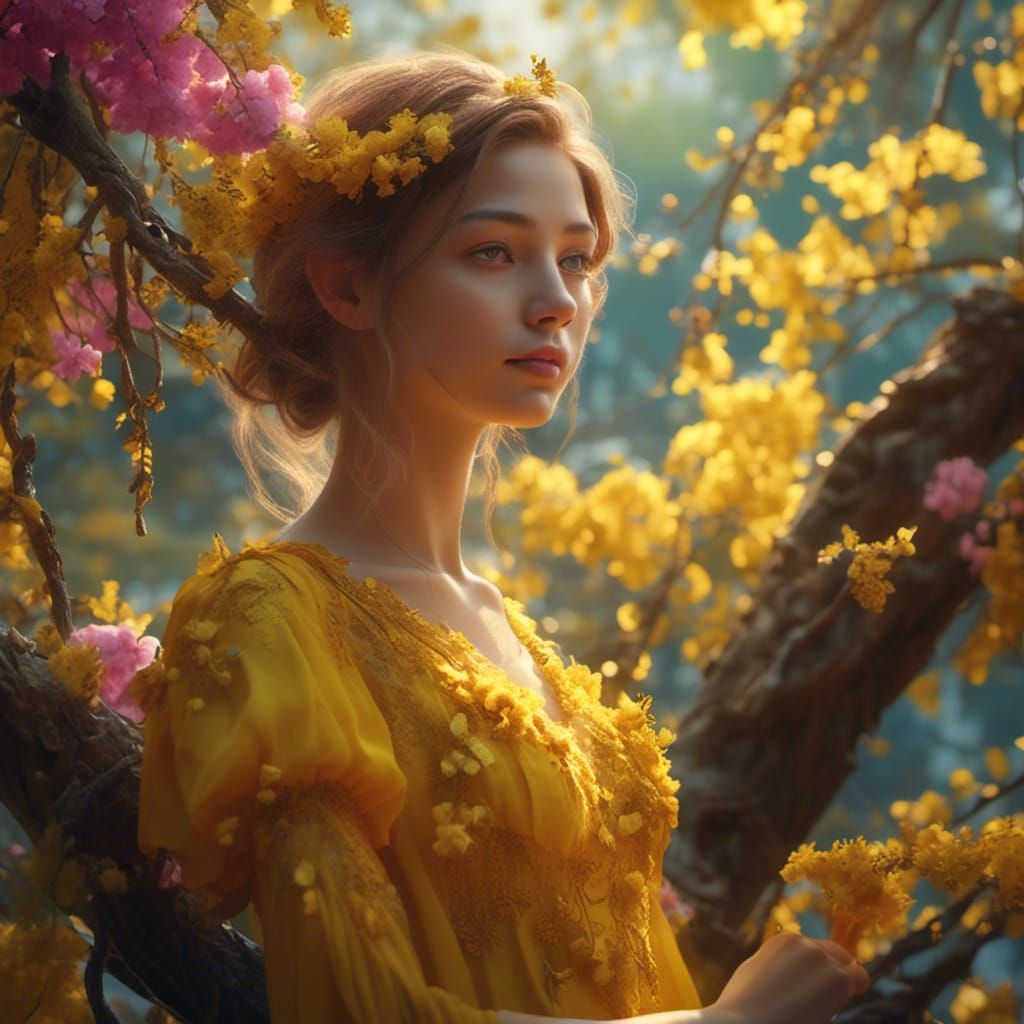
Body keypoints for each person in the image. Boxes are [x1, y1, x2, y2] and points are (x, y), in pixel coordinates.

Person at [135, 47, 869, 1024]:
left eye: (573, 257)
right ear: (349, 290)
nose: (558, 299)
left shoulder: (513, 633)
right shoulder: (271, 619)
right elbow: (360, 1010)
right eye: (494, 251)